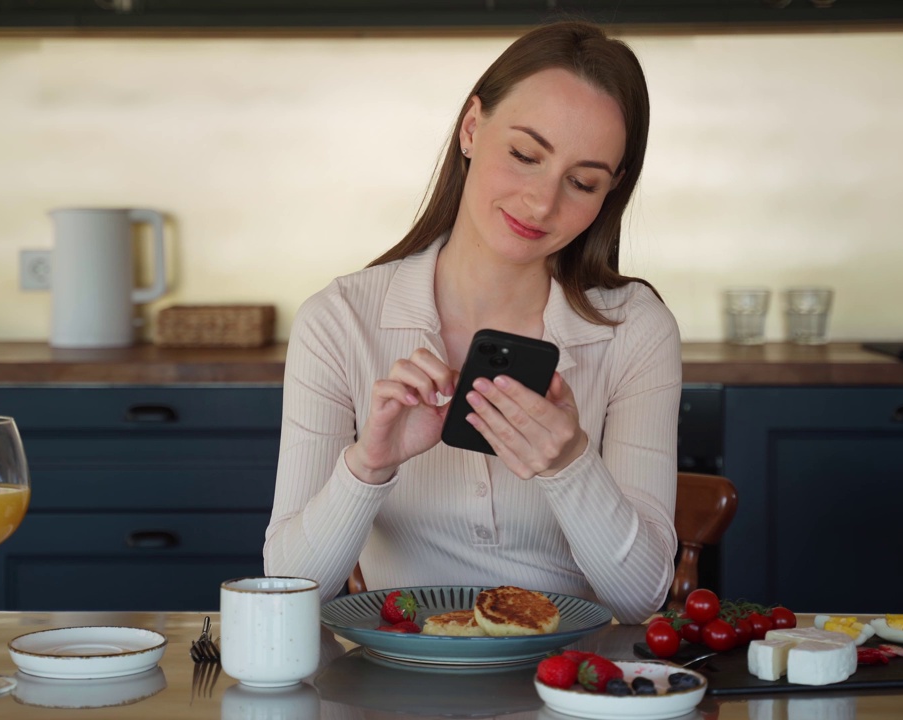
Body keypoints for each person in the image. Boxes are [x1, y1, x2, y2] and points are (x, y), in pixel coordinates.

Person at [262, 20, 681, 625]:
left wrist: (568, 465)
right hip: (399, 685)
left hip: (569, 686)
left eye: (582, 182)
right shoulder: (340, 321)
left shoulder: (635, 329)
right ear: (471, 128)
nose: (542, 203)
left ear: (610, 191)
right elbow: (289, 588)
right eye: (524, 155)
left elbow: (639, 599)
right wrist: (369, 466)